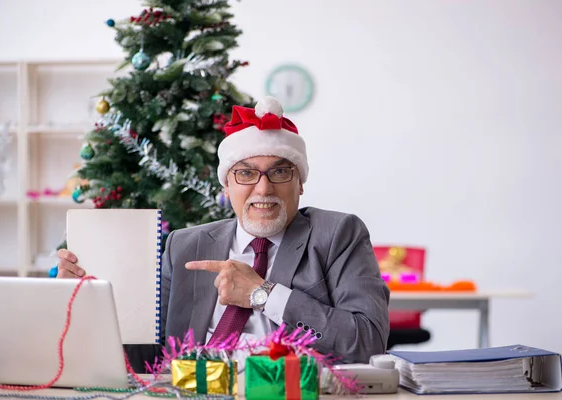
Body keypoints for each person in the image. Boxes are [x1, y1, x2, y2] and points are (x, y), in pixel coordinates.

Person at [57, 96, 390, 369]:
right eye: (246, 173)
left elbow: (367, 342)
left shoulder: (337, 235)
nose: (263, 189)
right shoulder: (184, 246)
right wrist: (85, 304)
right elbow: (147, 360)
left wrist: (263, 294)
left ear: (300, 183)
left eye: (280, 172)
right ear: (227, 186)